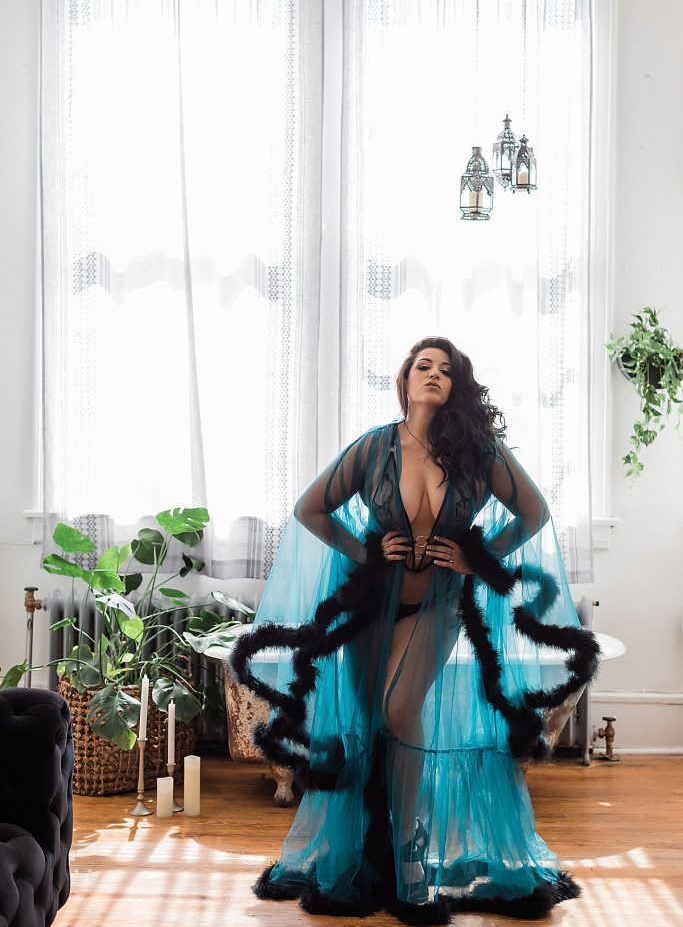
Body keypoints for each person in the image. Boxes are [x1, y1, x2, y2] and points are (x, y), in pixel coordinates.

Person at [231, 335, 600, 926]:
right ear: (404, 381)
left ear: (456, 386)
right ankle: (368, 850)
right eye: (423, 366)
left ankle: (411, 855)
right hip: (370, 607)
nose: (433, 374)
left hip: (439, 605)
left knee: (402, 711)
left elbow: (534, 514)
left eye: (446, 370)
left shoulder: (479, 453)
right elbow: (310, 509)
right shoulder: (374, 447)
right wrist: (363, 549)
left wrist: (477, 557)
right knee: (368, 724)